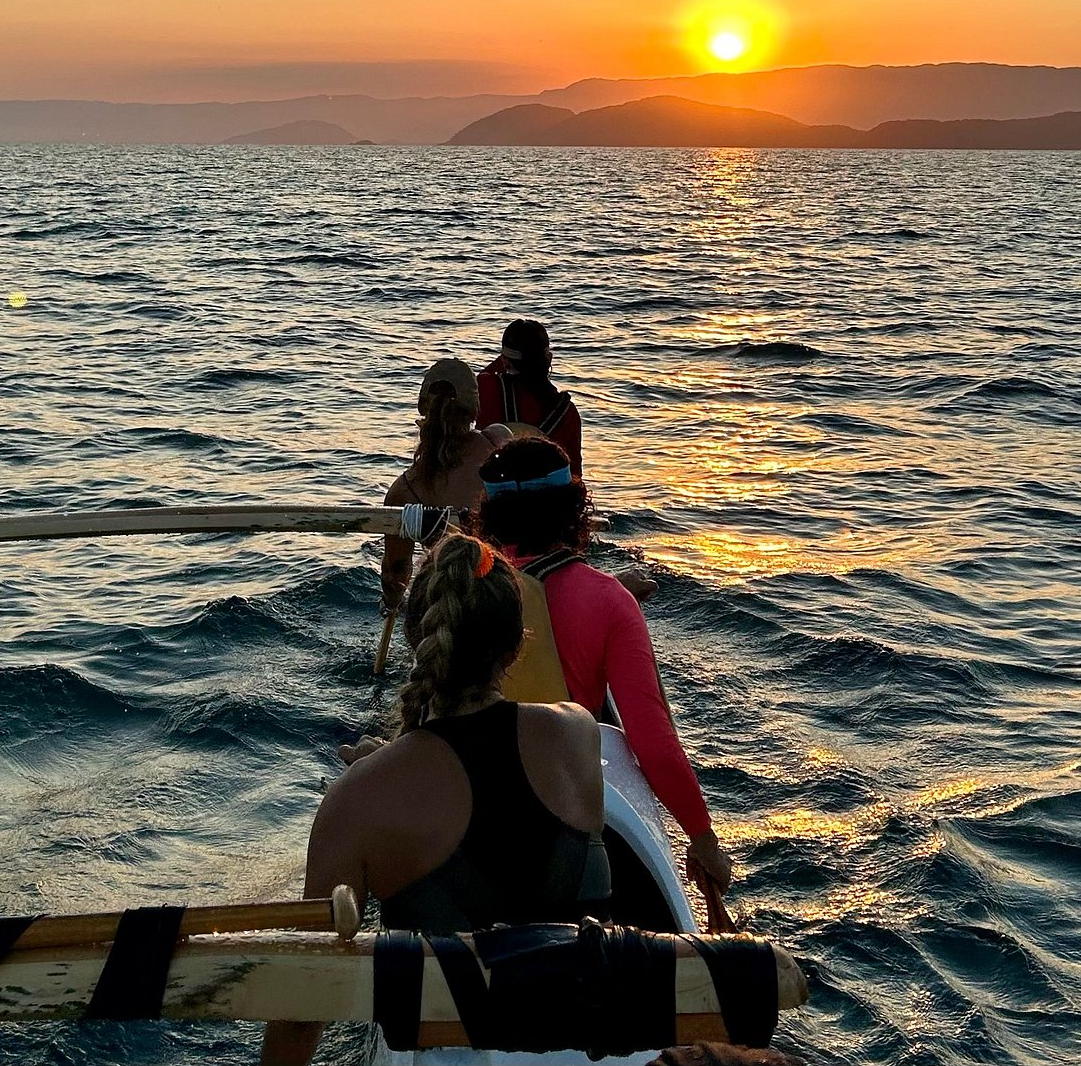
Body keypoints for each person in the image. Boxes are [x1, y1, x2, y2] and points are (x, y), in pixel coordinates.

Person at [262, 533, 608, 1066]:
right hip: (587, 1045)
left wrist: (378, 768)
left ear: (415, 642)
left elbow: (303, 1005)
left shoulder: (357, 800)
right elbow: (489, 782)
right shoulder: (578, 734)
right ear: (515, 649)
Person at [475, 436, 733, 893]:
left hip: (472, 801)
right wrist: (702, 838)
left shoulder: (461, 591)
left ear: (489, 513)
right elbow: (653, 746)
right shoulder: (609, 602)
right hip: (560, 817)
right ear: (575, 509)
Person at [379, 358, 501, 611]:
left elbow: (395, 574)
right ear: (474, 410)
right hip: (502, 584)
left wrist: (390, 604)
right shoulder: (499, 443)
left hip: (446, 597)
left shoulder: (405, 490)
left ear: (422, 406)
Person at [477, 318, 584, 476]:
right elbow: (575, 474)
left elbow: (478, 380)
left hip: (495, 489)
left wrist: (505, 361)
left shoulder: (486, 388)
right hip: (546, 491)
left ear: (505, 361)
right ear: (548, 359)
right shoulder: (567, 412)